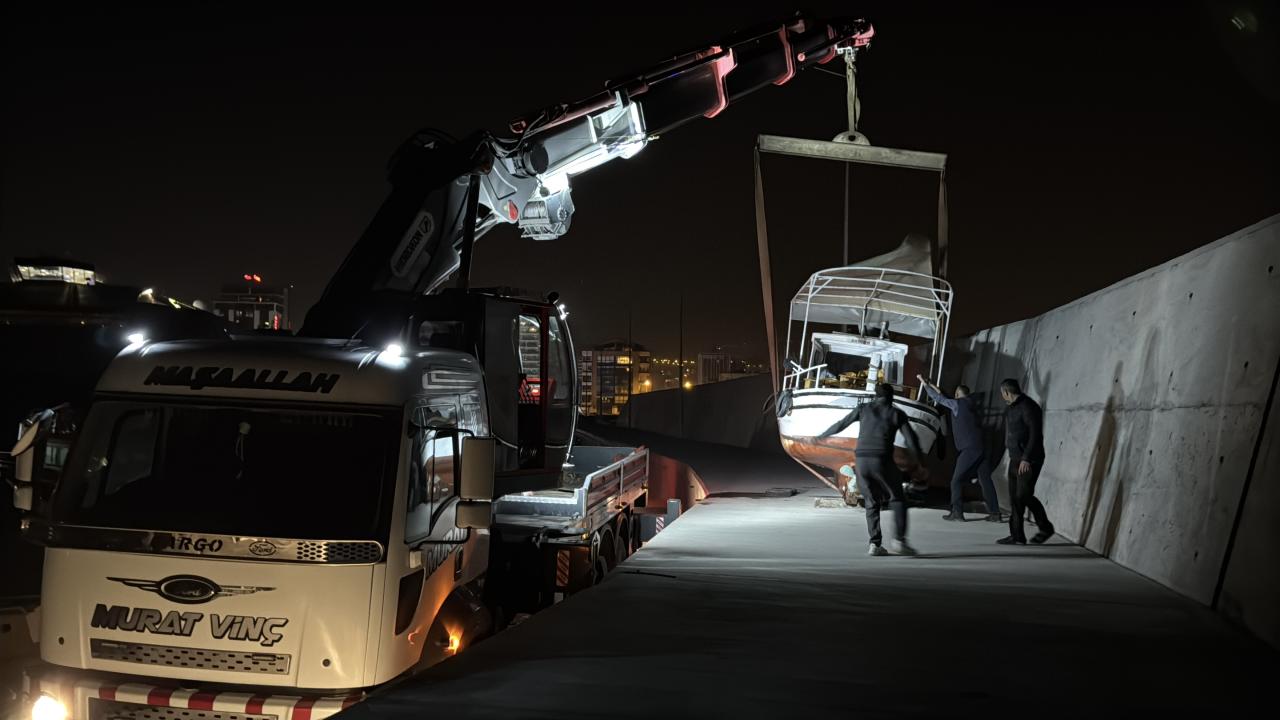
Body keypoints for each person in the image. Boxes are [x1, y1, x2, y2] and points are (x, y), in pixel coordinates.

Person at [822, 383, 923, 556]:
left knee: (871, 502)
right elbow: (911, 440)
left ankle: (875, 544)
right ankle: (899, 541)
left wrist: (822, 436)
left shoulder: (863, 409)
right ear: (891, 397)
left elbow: (841, 424)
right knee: (897, 498)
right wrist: (919, 462)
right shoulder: (896, 413)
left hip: (861, 462)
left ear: (875, 396)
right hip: (882, 460)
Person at [917, 375, 1002, 522]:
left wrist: (923, 383)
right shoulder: (970, 404)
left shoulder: (957, 404)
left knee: (956, 481)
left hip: (969, 449)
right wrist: (932, 385)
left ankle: (957, 512)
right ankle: (995, 514)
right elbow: (944, 396)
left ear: (957, 394)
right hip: (981, 447)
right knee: (985, 480)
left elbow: (939, 398)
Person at [997, 378, 1055, 545]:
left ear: (1006, 392)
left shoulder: (1029, 407)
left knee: (1023, 496)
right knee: (1015, 498)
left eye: (1002, 393)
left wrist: (1026, 459)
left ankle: (1046, 527)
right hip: (1015, 458)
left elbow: (1035, 435)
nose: (1002, 396)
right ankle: (1017, 536)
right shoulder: (1010, 408)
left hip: (1030, 460)